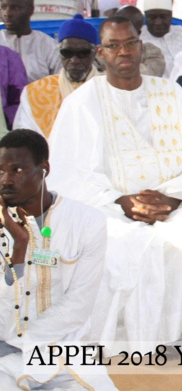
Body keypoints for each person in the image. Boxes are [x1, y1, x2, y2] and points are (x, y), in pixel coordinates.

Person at [48, 16, 182, 353]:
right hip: (106, 207)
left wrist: (172, 198)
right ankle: (127, 344)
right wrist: (123, 201)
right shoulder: (82, 103)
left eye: (130, 43)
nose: (124, 52)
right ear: (100, 53)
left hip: (175, 203)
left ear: (141, 45)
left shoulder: (171, 93)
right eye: (114, 46)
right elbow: (69, 175)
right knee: (123, 249)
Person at [0, 130, 117, 391]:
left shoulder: (87, 222)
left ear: (44, 169)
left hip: (65, 352)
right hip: (3, 356)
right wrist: (18, 251)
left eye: (17, 170)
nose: (6, 181)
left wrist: (24, 340)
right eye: (0, 172)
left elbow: (79, 304)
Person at [14, 14, 98, 137]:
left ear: (95, 53)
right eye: (67, 53)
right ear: (59, 52)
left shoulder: (108, 89)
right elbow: (25, 139)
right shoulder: (35, 92)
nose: (74, 60)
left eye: (82, 53)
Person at [0, 0, 60, 83]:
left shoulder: (47, 45)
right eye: (3, 7)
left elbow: (59, 82)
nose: (7, 13)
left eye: (15, 8)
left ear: (30, 10)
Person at [140, 0, 182, 78]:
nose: (158, 22)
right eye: (152, 17)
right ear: (145, 17)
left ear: (171, 15)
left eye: (163, 16)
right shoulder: (138, 37)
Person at [113, 5, 167, 77]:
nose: (122, 33)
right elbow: (95, 74)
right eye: (119, 28)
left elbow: (151, 74)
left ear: (138, 33)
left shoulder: (150, 51)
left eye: (127, 30)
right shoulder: (105, 49)